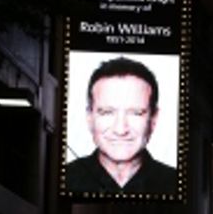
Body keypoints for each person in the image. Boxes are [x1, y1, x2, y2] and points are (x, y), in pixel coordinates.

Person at [64, 57, 177, 193]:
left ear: (154, 119)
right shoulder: (65, 178)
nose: (120, 129)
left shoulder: (175, 184)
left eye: (136, 113)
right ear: (89, 117)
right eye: (107, 112)